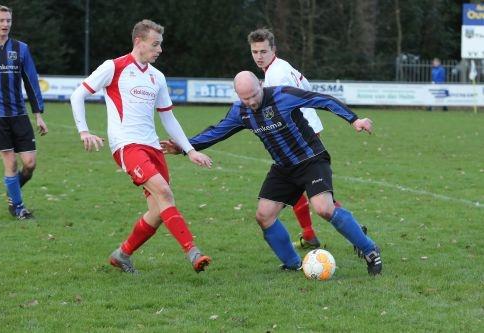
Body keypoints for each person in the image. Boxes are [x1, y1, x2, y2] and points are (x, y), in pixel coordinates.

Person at [162, 71, 382, 276]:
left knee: (324, 208)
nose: (251, 102)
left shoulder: (283, 95)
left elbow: (322, 99)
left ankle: (369, 249)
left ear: (260, 84)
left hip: (311, 160)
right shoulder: (241, 110)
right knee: (264, 215)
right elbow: (217, 132)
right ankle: (293, 264)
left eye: (253, 95)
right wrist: (184, 147)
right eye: (244, 98)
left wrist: (354, 119)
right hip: (283, 168)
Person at [70, 19, 212, 274]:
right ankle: (193, 252)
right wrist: (83, 130)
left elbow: (168, 116)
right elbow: (77, 94)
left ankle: (122, 254)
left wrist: (189, 150)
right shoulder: (114, 67)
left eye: (160, 44)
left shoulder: (157, 77)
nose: (160, 50)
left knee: (158, 211)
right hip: (127, 145)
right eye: (155, 44)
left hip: (153, 147)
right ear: (139, 42)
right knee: (165, 193)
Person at [248, 28, 361, 250]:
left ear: (273, 50)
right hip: (307, 125)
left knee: (301, 184)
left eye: (263, 51)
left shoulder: (275, 75)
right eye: (255, 52)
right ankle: (311, 234)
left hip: (299, 131)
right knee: (304, 186)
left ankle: (336, 230)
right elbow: (307, 88)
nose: (259, 56)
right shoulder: (283, 66)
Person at [0, 5, 48, 220]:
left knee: (30, 163)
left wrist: (38, 114)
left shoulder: (21, 48)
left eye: (8, 20)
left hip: (19, 114)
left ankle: (13, 192)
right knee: (10, 162)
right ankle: (18, 207)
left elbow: (31, 81)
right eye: (1, 20)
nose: (5, 24)